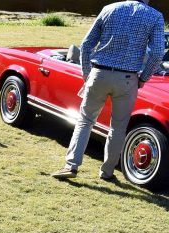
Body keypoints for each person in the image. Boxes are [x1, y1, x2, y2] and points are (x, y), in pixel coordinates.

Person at [51, 0, 164, 181]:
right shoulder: (155, 16)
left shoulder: (109, 9)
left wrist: (87, 74)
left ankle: (71, 165)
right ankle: (107, 172)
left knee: (85, 121)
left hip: (99, 73)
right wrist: (144, 78)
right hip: (128, 79)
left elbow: (87, 44)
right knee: (118, 127)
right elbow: (158, 53)